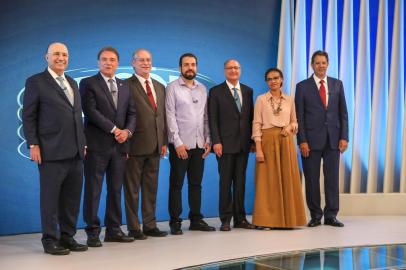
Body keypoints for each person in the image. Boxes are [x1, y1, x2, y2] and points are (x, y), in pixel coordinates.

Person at [22, 42, 87, 255]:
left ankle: (67, 237)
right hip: (50, 151)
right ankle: (50, 240)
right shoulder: (36, 82)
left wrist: (82, 142)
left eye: (65, 54)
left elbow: (76, 116)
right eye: (56, 54)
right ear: (46, 57)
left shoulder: (71, 82)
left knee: (71, 199)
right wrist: (33, 144)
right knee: (50, 199)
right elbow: (29, 116)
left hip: (76, 152)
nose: (61, 58)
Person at [80, 46, 136, 247]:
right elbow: (91, 112)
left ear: (117, 63)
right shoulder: (88, 83)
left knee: (115, 190)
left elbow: (132, 114)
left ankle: (113, 230)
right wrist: (115, 130)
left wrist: (127, 132)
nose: (108, 63)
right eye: (104, 59)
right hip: (97, 146)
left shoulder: (124, 85)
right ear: (98, 62)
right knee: (93, 190)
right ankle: (93, 232)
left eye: (112, 60)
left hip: (120, 148)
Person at [295, 50, 349, 227]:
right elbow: (299, 116)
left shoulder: (337, 84)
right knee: (311, 179)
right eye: (317, 63)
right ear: (312, 65)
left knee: (332, 178)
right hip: (310, 141)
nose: (321, 66)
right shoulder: (302, 86)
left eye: (323, 62)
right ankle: (316, 215)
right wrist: (302, 140)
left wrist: (344, 137)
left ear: (328, 64)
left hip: (334, 140)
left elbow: (343, 113)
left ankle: (331, 215)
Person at [166, 53, 215, 235]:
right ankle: (175, 222)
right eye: (186, 64)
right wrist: (177, 142)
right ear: (180, 67)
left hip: (199, 144)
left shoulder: (202, 88)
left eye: (193, 64)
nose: (190, 67)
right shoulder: (172, 88)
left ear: (197, 67)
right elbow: (170, 116)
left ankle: (196, 219)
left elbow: (205, 117)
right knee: (176, 184)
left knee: (196, 184)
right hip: (181, 145)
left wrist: (208, 140)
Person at [252, 68, 307, 228]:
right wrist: (259, 148)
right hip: (267, 140)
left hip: (286, 141)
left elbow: (295, 121)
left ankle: (290, 219)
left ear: (281, 79)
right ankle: (267, 220)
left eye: (276, 78)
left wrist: (290, 127)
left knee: (287, 178)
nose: (273, 81)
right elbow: (256, 123)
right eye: (269, 79)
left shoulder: (290, 100)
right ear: (266, 82)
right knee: (268, 181)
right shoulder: (261, 99)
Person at [124, 49, 168, 239]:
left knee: (151, 188)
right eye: (141, 60)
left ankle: (150, 225)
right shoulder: (126, 85)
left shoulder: (159, 86)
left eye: (148, 60)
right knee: (132, 190)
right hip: (134, 146)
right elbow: (123, 116)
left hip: (156, 146)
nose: (145, 63)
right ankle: (134, 228)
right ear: (133, 63)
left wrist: (164, 141)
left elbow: (162, 116)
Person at [208, 59, 255, 231]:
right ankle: (225, 219)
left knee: (240, 183)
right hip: (224, 145)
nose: (233, 70)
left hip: (243, 145)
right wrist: (216, 141)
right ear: (224, 70)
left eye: (236, 68)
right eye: (230, 68)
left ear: (240, 70)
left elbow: (251, 119)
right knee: (225, 183)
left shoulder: (248, 91)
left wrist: (252, 142)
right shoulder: (215, 91)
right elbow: (212, 119)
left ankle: (240, 219)